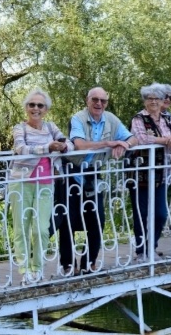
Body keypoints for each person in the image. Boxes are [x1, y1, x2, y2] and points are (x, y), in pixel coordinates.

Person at [60, 87, 137, 275]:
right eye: (95, 100)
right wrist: (109, 143)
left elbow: (133, 138)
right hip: (72, 171)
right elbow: (79, 145)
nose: (99, 104)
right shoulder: (78, 118)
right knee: (68, 220)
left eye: (103, 101)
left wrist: (124, 144)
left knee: (97, 219)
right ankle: (68, 265)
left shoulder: (111, 119)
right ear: (87, 100)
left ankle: (89, 261)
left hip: (94, 174)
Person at [9, 88, 73, 284]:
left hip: (46, 183)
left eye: (40, 105)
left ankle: (37, 268)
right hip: (21, 183)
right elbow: (21, 149)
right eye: (31, 105)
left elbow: (68, 143)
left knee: (41, 229)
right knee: (21, 228)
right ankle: (24, 270)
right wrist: (47, 148)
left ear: (46, 109)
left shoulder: (51, 127)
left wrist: (63, 146)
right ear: (26, 107)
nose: (35, 108)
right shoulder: (20, 128)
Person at [129, 83, 171, 262]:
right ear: (145, 101)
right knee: (142, 213)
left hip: (162, 173)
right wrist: (168, 140)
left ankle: (151, 247)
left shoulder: (168, 118)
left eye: (157, 98)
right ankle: (141, 251)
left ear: (163, 101)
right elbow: (143, 139)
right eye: (149, 98)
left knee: (161, 213)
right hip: (141, 173)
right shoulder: (139, 118)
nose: (153, 102)